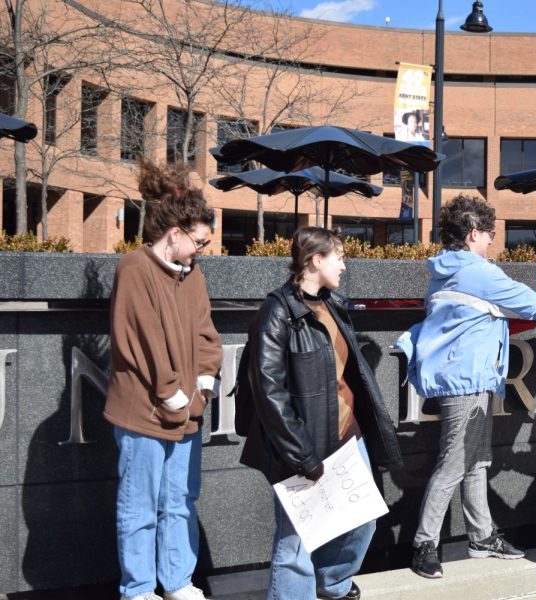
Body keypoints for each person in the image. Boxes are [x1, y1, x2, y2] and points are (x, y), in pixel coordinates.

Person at [397, 195, 536, 579]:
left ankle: (482, 534)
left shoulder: (444, 269)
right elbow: (535, 305)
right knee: (456, 461)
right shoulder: (478, 273)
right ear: (474, 233)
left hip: (465, 376)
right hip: (468, 378)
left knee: (477, 459)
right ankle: (424, 543)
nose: (493, 241)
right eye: (490, 234)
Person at [239, 227, 403, 600]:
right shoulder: (276, 312)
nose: (344, 265)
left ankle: (331, 584)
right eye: (338, 257)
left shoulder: (332, 305)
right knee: (295, 543)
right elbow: (269, 393)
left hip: (347, 434)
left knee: (364, 519)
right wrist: (302, 455)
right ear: (316, 260)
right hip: (303, 442)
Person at [104, 160, 222, 600]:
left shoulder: (193, 277)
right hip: (143, 412)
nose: (201, 250)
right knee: (139, 506)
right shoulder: (134, 268)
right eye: (198, 241)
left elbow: (206, 333)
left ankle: (176, 581)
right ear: (175, 233)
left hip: (187, 411)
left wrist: (205, 383)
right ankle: (137, 590)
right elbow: (138, 338)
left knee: (179, 501)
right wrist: (171, 391)